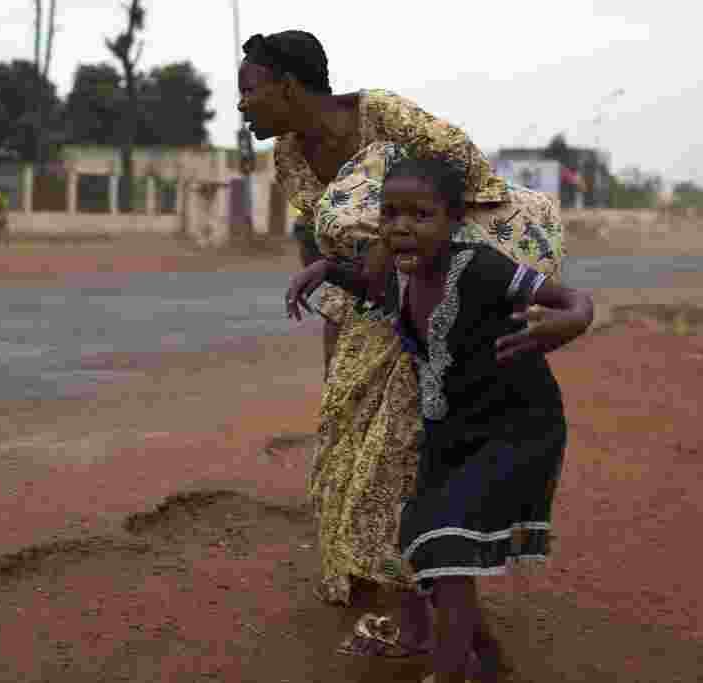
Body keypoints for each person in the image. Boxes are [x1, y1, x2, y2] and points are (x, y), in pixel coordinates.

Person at [239, 28, 565, 649]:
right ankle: (388, 595)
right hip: (369, 300)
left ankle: (440, 627)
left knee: (403, 459)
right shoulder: (286, 158)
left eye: (249, 92)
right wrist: (337, 353)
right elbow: (330, 244)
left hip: (434, 292)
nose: (242, 106)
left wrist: (410, 245)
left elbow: (470, 174)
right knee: (340, 441)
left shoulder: (379, 114)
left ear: (286, 85)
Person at [286, 155, 594, 682]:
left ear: (452, 221)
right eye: (391, 213)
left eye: (420, 215)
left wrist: (566, 324)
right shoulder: (400, 278)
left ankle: (450, 671)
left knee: (443, 540)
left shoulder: (479, 267)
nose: (402, 226)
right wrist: (323, 268)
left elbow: (572, 298)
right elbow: (367, 284)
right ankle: (482, 661)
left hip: (514, 426)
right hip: (451, 434)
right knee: (423, 542)